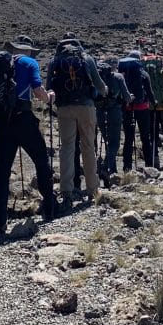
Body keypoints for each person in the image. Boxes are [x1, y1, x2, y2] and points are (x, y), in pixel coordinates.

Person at [0, 36, 56, 234]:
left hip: (1, 122)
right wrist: (49, 97)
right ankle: (50, 208)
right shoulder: (29, 63)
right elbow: (37, 90)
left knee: (2, 170)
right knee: (41, 160)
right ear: (28, 51)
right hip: (23, 118)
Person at [47, 39, 107, 211]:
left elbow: (48, 87)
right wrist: (104, 92)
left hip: (64, 108)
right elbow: (98, 83)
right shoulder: (86, 58)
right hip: (86, 106)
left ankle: (66, 191)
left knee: (67, 147)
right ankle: (93, 189)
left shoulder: (55, 60)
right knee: (88, 146)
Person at [118, 50, 156, 171]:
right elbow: (150, 92)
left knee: (129, 137)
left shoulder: (123, 73)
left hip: (128, 107)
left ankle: (126, 166)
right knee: (145, 136)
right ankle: (149, 165)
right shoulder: (143, 73)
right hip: (143, 108)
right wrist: (154, 104)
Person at [96, 60, 131, 186]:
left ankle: (109, 170)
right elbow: (127, 96)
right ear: (113, 66)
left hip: (99, 113)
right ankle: (109, 170)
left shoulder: (97, 76)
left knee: (107, 141)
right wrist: (130, 98)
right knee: (114, 143)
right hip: (114, 112)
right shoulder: (119, 77)